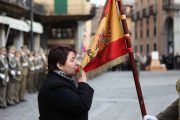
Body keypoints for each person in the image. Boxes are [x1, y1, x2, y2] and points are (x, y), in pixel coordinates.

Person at [38, 44, 94, 120]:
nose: (77, 63)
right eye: (72, 60)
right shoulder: (55, 85)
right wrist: (82, 82)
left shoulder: (62, 79)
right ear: (60, 65)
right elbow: (81, 105)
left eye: (75, 59)